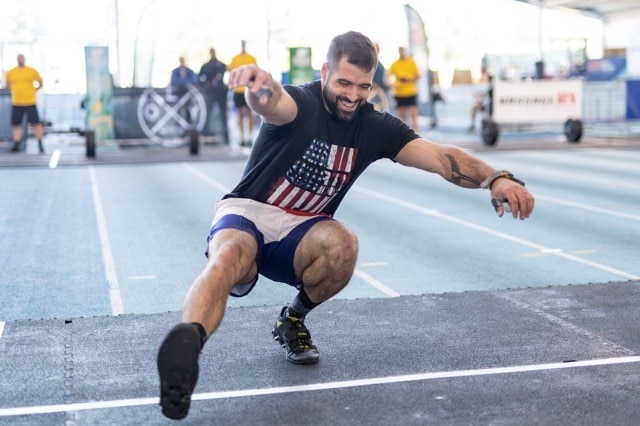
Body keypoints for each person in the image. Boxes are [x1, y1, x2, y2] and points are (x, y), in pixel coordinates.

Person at [156, 31, 535, 420]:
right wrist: (260, 85)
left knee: (343, 246)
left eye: (363, 87)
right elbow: (271, 103)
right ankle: (185, 353)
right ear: (325, 72)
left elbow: (440, 157)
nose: (353, 95)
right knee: (229, 257)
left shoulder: (373, 126)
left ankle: (292, 319)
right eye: (343, 83)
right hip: (250, 212)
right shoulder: (301, 102)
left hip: (303, 231)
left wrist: (496, 178)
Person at [5, 53, 45, 153]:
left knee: (36, 123)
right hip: (17, 102)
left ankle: (40, 144)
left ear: (24, 59)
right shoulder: (11, 72)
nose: (20, 59)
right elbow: (8, 85)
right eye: (19, 58)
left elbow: (40, 82)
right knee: (16, 124)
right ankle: (16, 145)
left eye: (22, 58)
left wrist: (34, 90)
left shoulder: (31, 70)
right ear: (17, 59)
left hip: (30, 101)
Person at [228, 40, 258, 146]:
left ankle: (250, 137)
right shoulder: (235, 58)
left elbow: (256, 73)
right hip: (238, 91)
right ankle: (242, 137)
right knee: (240, 114)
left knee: (250, 114)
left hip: (249, 90)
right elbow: (230, 71)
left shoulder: (252, 58)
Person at [388, 46, 420, 132]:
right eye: (400, 51)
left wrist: (409, 79)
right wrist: (393, 84)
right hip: (399, 93)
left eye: (402, 51)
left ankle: (417, 134)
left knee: (413, 116)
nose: (401, 52)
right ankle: (404, 135)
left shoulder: (411, 62)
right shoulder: (395, 64)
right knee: (402, 118)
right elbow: (387, 77)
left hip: (410, 92)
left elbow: (417, 76)